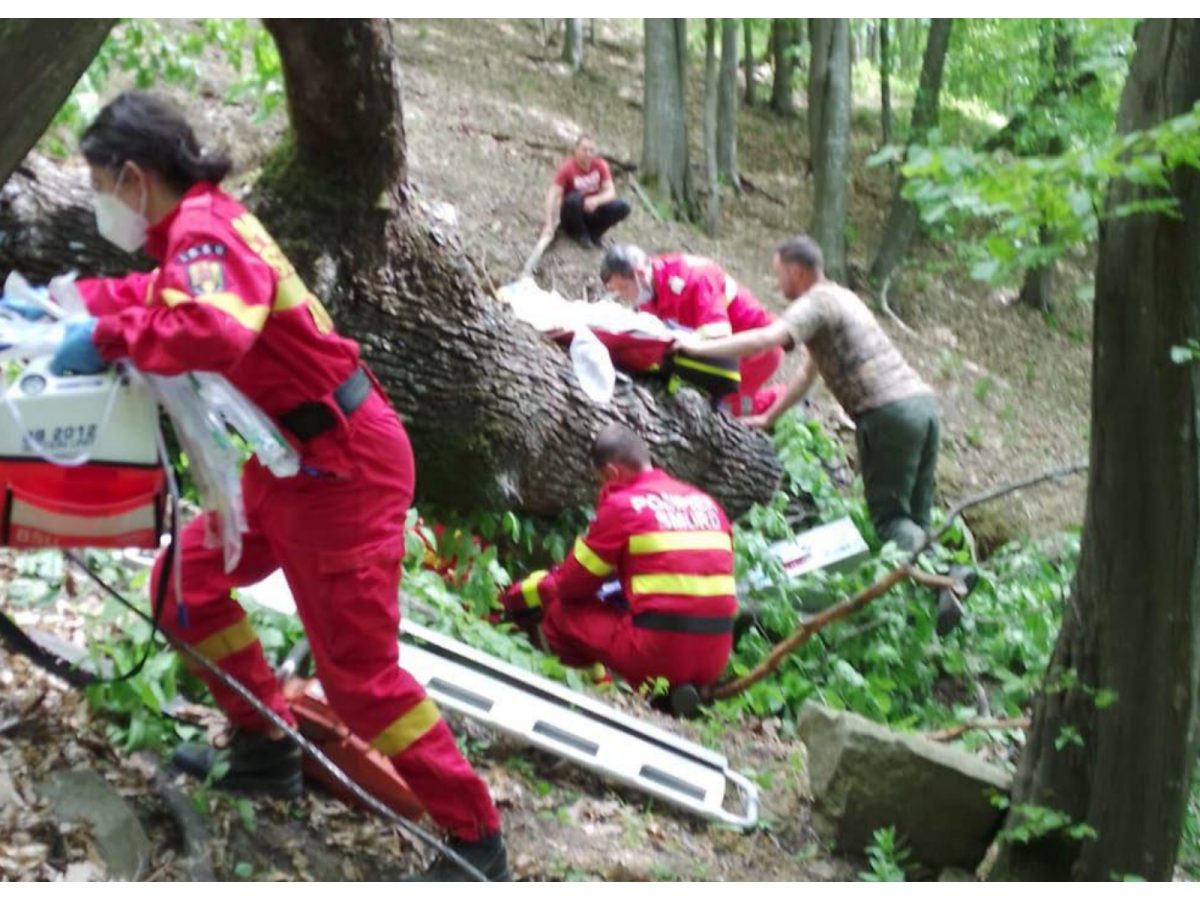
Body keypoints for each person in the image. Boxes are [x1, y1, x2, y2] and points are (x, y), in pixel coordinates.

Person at [41, 91, 507, 880]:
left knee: (360, 681)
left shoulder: (206, 232)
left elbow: (214, 328)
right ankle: (265, 740)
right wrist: (61, 311)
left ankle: (475, 838)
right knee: (183, 586)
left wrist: (107, 336)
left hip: (344, 470)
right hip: (289, 461)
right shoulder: (194, 232)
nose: (97, 205)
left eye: (96, 186)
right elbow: (160, 299)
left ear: (131, 176)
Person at [501, 424, 737, 694]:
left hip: (657, 653)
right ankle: (665, 694)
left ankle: (583, 695)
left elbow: (571, 585)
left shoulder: (623, 505)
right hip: (715, 656)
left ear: (612, 472)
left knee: (559, 610)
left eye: (601, 479)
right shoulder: (708, 505)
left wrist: (522, 597)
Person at [600, 245, 784, 417]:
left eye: (623, 289)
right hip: (720, 348)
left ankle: (779, 401)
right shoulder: (650, 288)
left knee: (727, 409)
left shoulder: (694, 278)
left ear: (639, 273)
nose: (623, 296)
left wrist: (686, 342)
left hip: (756, 347)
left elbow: (717, 334)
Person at [542, 135, 630, 249]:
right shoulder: (567, 168)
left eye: (591, 150)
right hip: (572, 213)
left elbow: (611, 192)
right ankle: (579, 234)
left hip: (592, 210)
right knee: (574, 198)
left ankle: (595, 234)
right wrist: (548, 224)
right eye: (584, 150)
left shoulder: (600, 165)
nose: (588, 154)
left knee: (623, 206)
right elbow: (552, 195)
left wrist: (596, 200)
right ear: (576, 150)